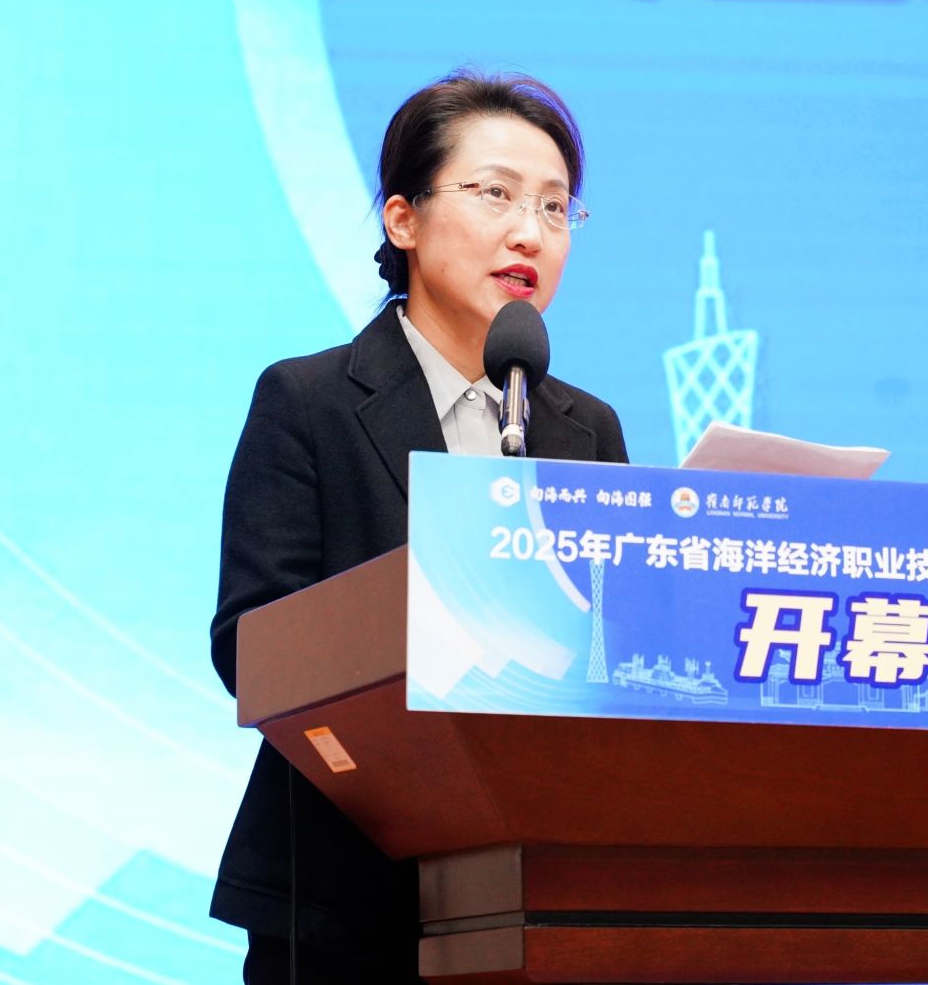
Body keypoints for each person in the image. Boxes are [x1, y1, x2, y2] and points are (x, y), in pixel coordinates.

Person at [208, 69, 629, 983]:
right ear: (402, 219)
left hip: (545, 896)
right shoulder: (309, 401)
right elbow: (251, 644)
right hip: (345, 895)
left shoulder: (585, 430)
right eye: (496, 194)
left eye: (556, 207)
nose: (530, 232)